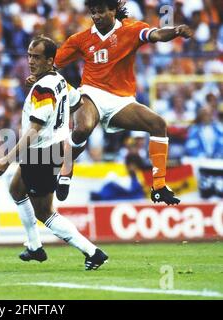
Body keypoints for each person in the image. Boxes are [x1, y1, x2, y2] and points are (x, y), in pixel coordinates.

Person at [32, 0, 193, 205]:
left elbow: (157, 34)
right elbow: (53, 64)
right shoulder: (80, 39)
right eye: (93, 12)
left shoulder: (133, 29)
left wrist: (176, 30)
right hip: (91, 92)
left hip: (121, 100)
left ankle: (159, 186)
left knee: (158, 124)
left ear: (113, 10)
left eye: (100, 12)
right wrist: (37, 75)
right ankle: (66, 166)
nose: (96, 16)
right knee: (83, 127)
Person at [0, 35, 108, 271]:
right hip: (47, 150)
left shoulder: (42, 88)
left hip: (41, 154)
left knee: (45, 212)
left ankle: (92, 252)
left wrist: (6, 159)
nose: (31, 61)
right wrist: (62, 129)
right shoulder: (60, 81)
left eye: (37, 57)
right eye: (29, 56)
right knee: (16, 188)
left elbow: (33, 130)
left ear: (50, 60)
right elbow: (76, 103)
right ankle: (34, 247)